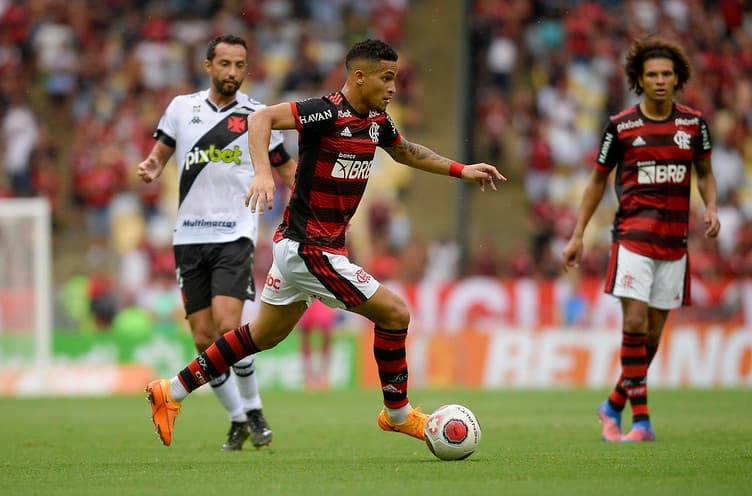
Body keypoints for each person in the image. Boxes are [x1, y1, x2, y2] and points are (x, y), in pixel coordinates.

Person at [144, 38, 506, 447]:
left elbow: (406, 152)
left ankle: (170, 391)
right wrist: (263, 172)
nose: (392, 88)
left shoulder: (376, 122)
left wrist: (462, 170)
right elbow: (260, 119)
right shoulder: (325, 111)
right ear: (359, 76)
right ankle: (399, 414)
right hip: (309, 248)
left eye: (395, 79)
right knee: (395, 314)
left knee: (261, 336)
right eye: (386, 78)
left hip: (305, 248)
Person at [137, 34, 297, 451]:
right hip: (188, 236)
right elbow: (160, 153)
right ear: (208, 65)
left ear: (247, 69)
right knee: (203, 338)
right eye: (224, 63)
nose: (231, 72)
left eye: (239, 65)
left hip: (235, 232)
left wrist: (305, 204)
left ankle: (256, 410)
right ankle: (238, 419)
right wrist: (152, 166)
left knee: (229, 326)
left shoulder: (259, 115)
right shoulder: (180, 109)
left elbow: (284, 168)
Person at [561, 34, 720, 442]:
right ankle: (643, 422)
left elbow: (704, 172)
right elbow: (597, 182)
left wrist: (711, 206)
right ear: (639, 79)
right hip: (631, 237)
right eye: (652, 74)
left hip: (674, 243)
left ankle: (613, 403)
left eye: (667, 73)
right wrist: (578, 234)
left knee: (650, 338)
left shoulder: (693, 124)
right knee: (633, 321)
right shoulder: (621, 127)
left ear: (677, 77)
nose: (661, 80)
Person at [298, 297, 338, 390]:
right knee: (305, 335)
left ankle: (324, 375)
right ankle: (308, 377)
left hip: (322, 294)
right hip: (305, 295)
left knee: (327, 334)